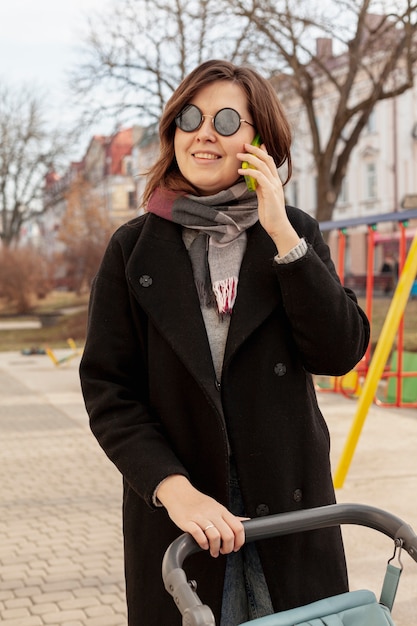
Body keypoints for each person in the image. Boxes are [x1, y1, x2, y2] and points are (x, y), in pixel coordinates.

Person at [79, 59, 370, 625]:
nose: (204, 132)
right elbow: (109, 391)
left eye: (227, 118)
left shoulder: (294, 231)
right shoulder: (132, 248)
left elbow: (338, 353)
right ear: (173, 131)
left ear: (259, 139)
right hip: (186, 519)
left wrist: (282, 234)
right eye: (190, 116)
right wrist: (172, 490)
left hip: (289, 512)